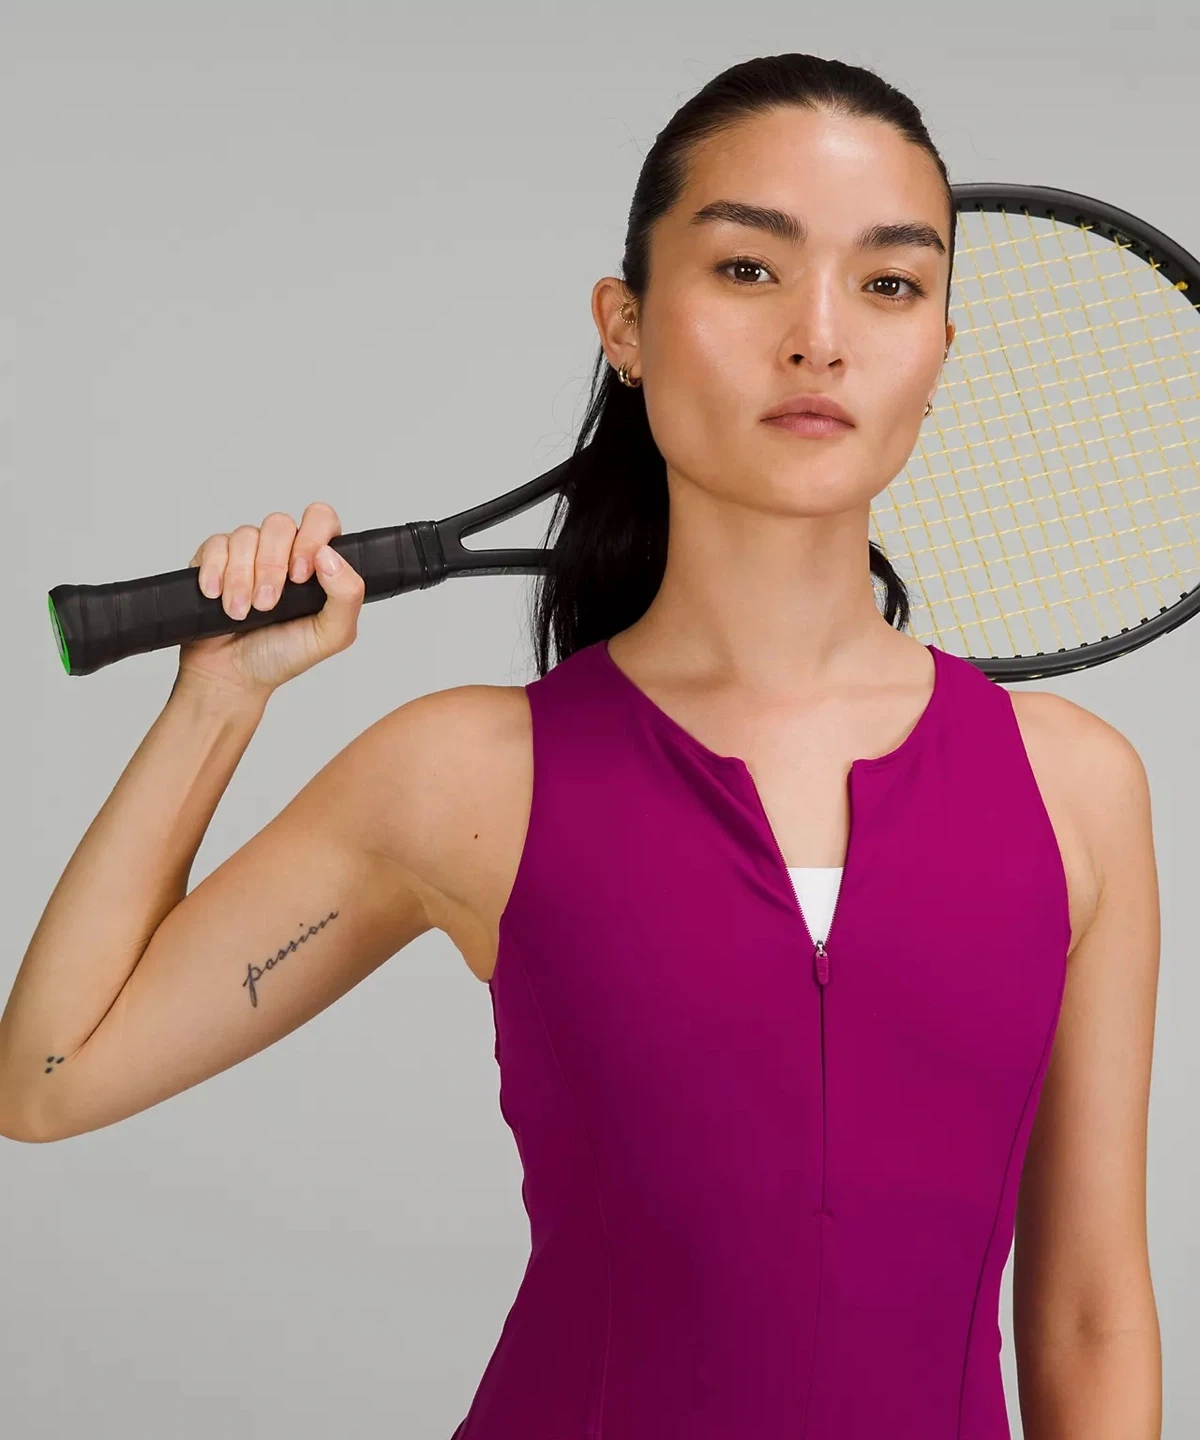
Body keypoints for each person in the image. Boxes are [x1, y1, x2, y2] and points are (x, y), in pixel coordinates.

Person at [0, 51, 1161, 1439]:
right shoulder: (469, 776)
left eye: (890, 284)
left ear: (943, 349)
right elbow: (52, 1078)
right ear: (627, 323)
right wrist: (220, 697)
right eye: (748, 269)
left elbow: (1090, 1311)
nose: (820, 337)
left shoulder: (1073, 788)